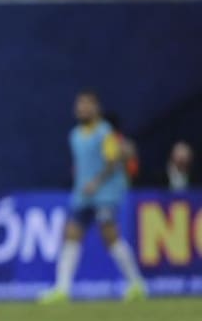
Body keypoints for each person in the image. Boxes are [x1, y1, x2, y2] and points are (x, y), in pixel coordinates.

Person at [39, 90, 147, 304]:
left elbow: (113, 161)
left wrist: (96, 182)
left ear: (96, 108)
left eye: (87, 105)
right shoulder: (75, 135)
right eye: (80, 105)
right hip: (83, 195)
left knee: (110, 237)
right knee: (71, 235)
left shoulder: (105, 133)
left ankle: (136, 284)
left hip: (105, 194)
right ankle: (62, 289)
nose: (83, 109)